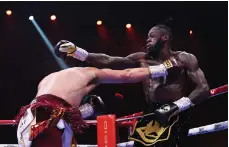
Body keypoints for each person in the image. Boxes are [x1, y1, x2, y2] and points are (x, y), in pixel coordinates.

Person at [55, 24, 210, 146]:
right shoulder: (141, 59)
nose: (147, 40)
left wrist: (177, 106)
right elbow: (109, 60)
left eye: (152, 36)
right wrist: (77, 52)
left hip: (176, 112)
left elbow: (203, 88)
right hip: (150, 114)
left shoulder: (184, 58)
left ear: (165, 37)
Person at [16, 48, 177, 147]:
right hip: (50, 120)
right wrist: (163, 67)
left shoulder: (50, 77)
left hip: (29, 119)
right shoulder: (90, 73)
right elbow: (127, 74)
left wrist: (85, 111)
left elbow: (53, 107)